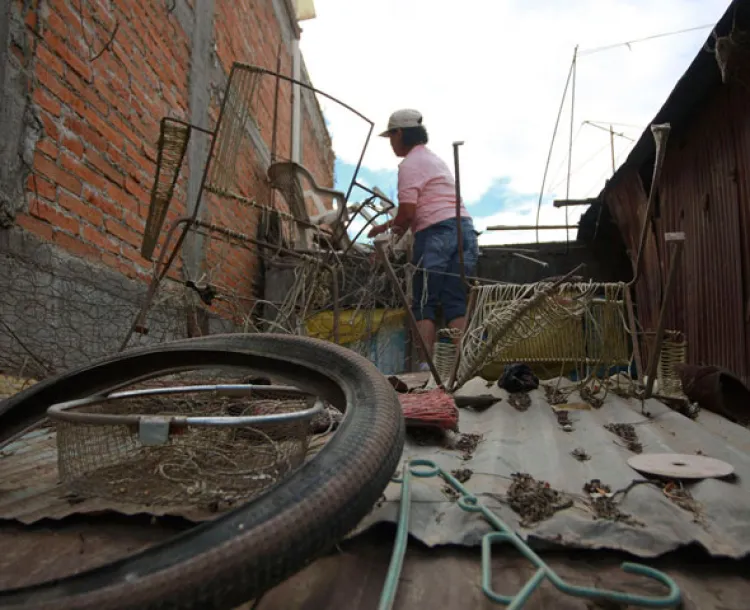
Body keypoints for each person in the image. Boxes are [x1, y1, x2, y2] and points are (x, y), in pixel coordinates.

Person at [368, 108, 479, 367]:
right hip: (465, 231)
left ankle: (426, 371)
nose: (391, 144)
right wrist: (385, 225)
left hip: (436, 235)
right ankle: (466, 367)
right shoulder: (434, 160)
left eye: (391, 137)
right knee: (454, 300)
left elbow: (407, 214)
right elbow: (424, 205)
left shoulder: (409, 164)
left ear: (399, 133)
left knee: (423, 302)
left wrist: (387, 240)